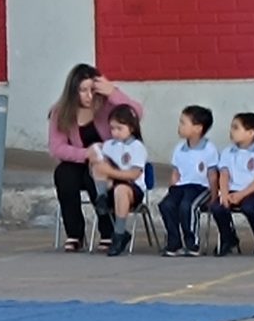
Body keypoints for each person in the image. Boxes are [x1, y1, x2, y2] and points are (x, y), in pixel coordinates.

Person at [48, 63, 144, 253]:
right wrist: (86, 153)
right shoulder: (60, 112)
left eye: (92, 90)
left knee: (94, 175)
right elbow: (56, 147)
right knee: (63, 174)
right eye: (83, 91)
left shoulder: (108, 105)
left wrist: (113, 92)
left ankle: (108, 232)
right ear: (73, 91)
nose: (88, 96)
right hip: (79, 160)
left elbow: (136, 113)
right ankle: (75, 233)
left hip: (108, 163)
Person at [210, 112, 254, 257]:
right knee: (218, 207)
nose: (231, 131)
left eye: (236, 128)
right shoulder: (227, 152)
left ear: (251, 133)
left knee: (250, 207)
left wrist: (241, 194)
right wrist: (224, 193)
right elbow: (224, 175)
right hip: (233, 190)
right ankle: (228, 238)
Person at [89, 104, 148, 257]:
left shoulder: (137, 147)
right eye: (112, 129)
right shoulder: (109, 145)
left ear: (131, 128)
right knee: (98, 164)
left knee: (120, 190)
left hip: (132, 189)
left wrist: (110, 172)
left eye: (119, 128)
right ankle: (102, 197)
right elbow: (99, 169)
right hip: (111, 186)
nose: (115, 132)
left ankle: (119, 234)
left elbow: (134, 174)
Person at [158, 105, 218, 257]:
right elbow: (176, 173)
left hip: (200, 188)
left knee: (188, 206)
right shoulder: (179, 148)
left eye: (183, 123)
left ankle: (192, 243)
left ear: (198, 128)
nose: (180, 126)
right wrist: (171, 190)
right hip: (182, 187)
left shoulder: (209, 149)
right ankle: (174, 242)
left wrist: (214, 195)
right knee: (166, 205)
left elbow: (212, 174)